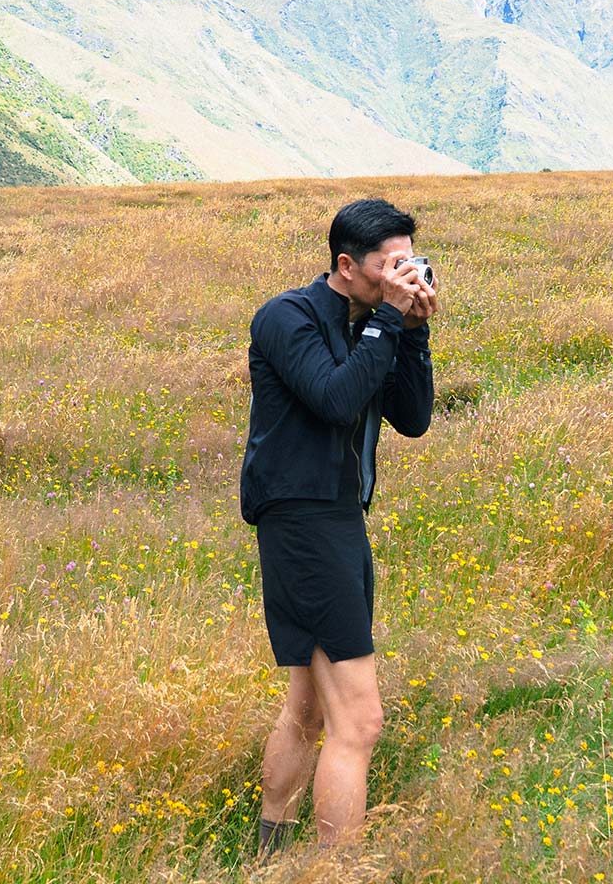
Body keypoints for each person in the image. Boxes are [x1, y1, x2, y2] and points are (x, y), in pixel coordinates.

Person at [241, 198, 439, 857]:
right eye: (390, 266)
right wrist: (386, 322)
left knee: (310, 708)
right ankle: (337, 871)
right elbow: (333, 399)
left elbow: (413, 419)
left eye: (411, 263)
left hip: (340, 519)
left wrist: (413, 332)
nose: (403, 276)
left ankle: (270, 855)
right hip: (302, 521)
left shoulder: (373, 324)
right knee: (360, 720)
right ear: (348, 266)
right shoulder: (286, 317)